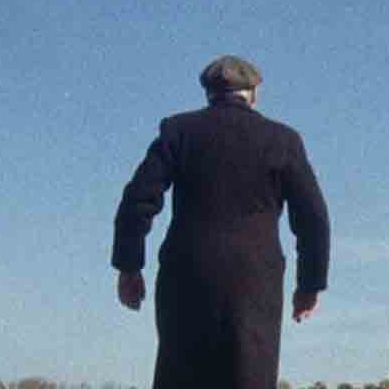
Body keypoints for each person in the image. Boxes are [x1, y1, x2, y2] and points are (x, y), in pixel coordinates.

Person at [111, 55, 330, 388]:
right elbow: (313, 218)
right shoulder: (283, 140)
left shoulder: (178, 131)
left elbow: (137, 200)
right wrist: (309, 284)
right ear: (255, 92)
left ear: (209, 93)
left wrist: (129, 267)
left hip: (186, 281)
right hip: (255, 286)